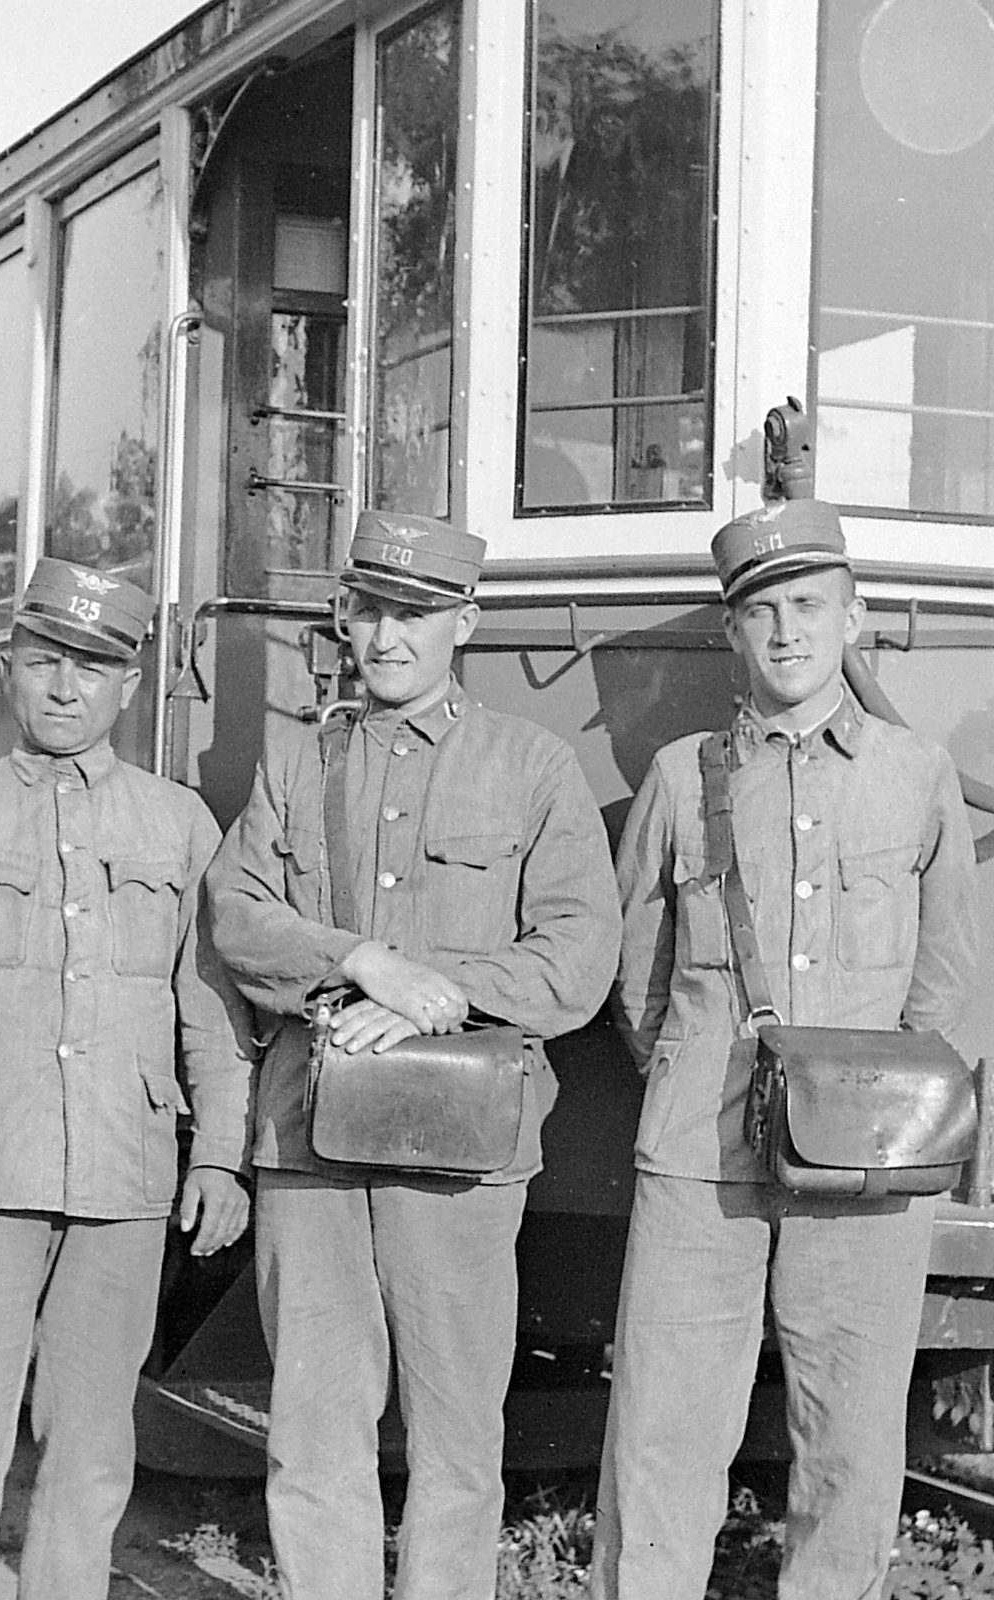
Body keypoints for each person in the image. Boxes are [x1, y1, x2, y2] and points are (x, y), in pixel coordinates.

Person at [206, 510, 621, 1600]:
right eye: (372, 610)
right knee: (312, 1428)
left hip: (462, 1148)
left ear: (465, 625)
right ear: (346, 618)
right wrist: (362, 960)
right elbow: (237, 914)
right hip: (310, 1136)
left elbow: (579, 958)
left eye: (417, 615)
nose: (388, 636)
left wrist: (437, 995)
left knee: (454, 1436)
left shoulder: (531, 767)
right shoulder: (299, 762)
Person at [591, 499, 981, 1600]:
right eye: (760, 611)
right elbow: (641, 983)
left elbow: (947, 975)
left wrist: (870, 1106)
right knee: (662, 1440)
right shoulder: (679, 778)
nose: (786, 632)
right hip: (699, 1158)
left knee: (850, 1445)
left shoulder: (914, 774)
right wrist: (716, 1079)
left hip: (866, 1164)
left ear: (854, 619)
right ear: (730, 633)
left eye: (809, 605)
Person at [0, 558, 256, 1600]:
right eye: (43, 663)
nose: (66, 688)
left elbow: (210, 1013)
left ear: (129, 686)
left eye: (93, 667)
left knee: (89, 1458)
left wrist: (217, 1154)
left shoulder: (178, 827)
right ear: (5, 672)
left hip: (120, 1182)